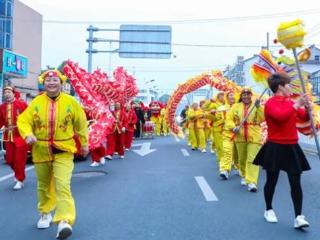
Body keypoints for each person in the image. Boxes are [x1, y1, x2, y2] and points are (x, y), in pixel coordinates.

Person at [17, 69, 89, 240]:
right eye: (48, 80)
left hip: (64, 149)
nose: (51, 83)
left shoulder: (71, 102)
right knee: (43, 185)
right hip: (40, 149)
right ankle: (45, 212)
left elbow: (81, 123)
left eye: (55, 80)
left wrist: (85, 143)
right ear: (43, 82)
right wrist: (27, 134)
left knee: (62, 185)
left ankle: (64, 220)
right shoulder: (36, 102)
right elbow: (23, 120)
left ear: (61, 83)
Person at [253, 73, 310, 229]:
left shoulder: (290, 102)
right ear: (280, 87)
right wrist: (297, 104)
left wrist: (307, 107)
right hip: (275, 146)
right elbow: (280, 117)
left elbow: (304, 117)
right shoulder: (270, 103)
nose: (290, 87)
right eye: (288, 85)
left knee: (296, 182)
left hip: (292, 146)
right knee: (272, 180)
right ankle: (268, 209)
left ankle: (298, 216)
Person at [225, 87, 264, 192]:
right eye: (244, 94)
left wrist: (259, 107)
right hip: (240, 136)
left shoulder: (256, 105)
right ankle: (243, 175)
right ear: (241, 96)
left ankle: (252, 182)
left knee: (252, 159)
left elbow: (263, 118)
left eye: (248, 94)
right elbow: (228, 119)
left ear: (251, 95)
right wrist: (233, 127)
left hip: (254, 136)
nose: (246, 96)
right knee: (242, 159)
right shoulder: (235, 106)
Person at [0, 86, 28, 190]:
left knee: (19, 159)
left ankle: (20, 180)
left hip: (21, 136)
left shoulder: (22, 104)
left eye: (8, 92)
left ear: (13, 93)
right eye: (5, 92)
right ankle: (17, 173)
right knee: (9, 159)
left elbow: (30, 119)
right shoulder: (2, 107)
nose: (6, 94)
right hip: (8, 136)